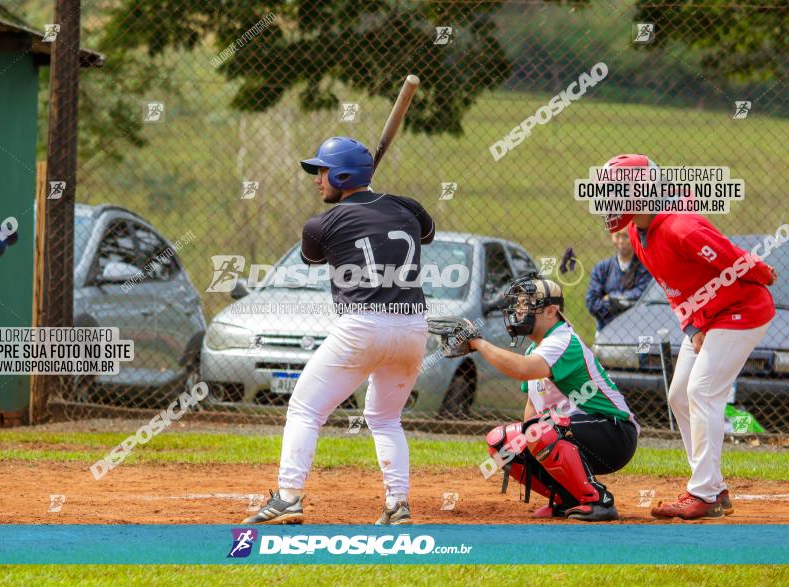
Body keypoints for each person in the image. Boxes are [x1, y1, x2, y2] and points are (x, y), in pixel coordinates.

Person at [242, 136, 435, 525]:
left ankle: (288, 498)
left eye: (323, 171)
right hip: (413, 328)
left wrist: (363, 209)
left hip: (363, 324)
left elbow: (313, 256)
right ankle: (397, 506)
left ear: (344, 174)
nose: (317, 179)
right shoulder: (408, 207)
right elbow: (425, 232)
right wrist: (382, 204)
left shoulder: (321, 224)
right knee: (385, 419)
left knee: (305, 409)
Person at [601, 153, 777, 520]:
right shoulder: (636, 233)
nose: (612, 199)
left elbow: (730, 257)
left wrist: (762, 272)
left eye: (619, 190)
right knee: (680, 393)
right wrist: (693, 326)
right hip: (707, 317)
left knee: (702, 390)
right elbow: (672, 287)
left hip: (742, 309)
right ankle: (712, 486)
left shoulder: (681, 228)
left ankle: (703, 493)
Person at [450, 275, 639, 521]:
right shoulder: (535, 349)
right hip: (572, 435)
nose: (518, 310)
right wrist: (528, 450)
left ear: (551, 311)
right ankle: (568, 498)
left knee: (542, 429)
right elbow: (532, 408)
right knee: (503, 442)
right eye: (517, 304)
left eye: (526, 304)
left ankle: (598, 501)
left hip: (614, 433)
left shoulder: (563, 341)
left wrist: (478, 343)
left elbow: (521, 368)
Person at [585, 227, 652, 332]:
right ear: (612, 236)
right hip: (606, 330)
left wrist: (610, 299)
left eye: (625, 236)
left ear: (634, 235)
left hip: (638, 330)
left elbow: (643, 298)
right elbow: (591, 303)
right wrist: (624, 303)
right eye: (617, 236)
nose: (621, 241)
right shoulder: (601, 268)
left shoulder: (645, 267)